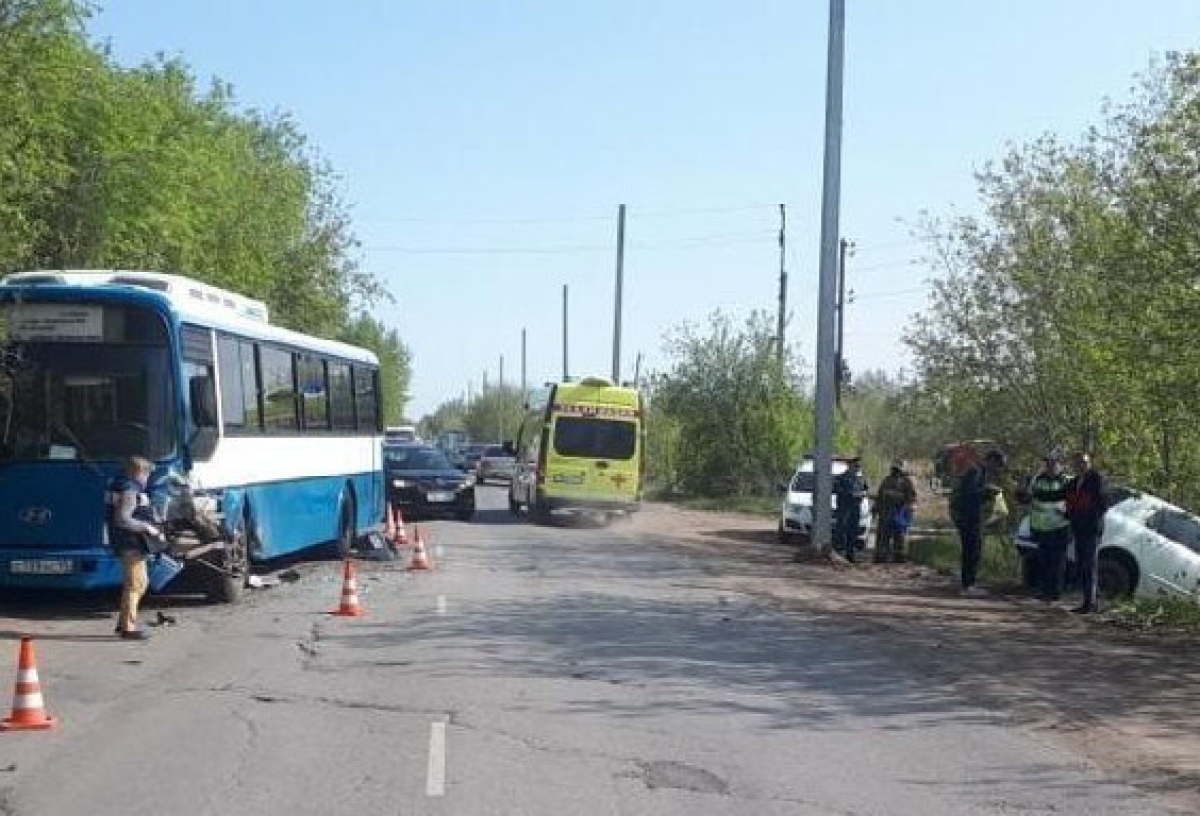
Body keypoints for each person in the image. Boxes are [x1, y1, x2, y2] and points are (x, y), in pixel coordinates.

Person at [105, 456, 161, 640]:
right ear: (139, 473)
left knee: (137, 583)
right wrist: (147, 527)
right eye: (147, 475)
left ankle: (123, 623)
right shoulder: (129, 490)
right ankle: (128, 628)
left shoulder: (117, 485)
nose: (148, 480)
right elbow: (123, 519)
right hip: (130, 542)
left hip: (123, 541)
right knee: (136, 583)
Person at [949, 449, 1003, 596]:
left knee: (973, 549)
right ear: (991, 460)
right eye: (997, 465)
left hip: (971, 516)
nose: (997, 469)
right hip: (968, 517)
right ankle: (968, 585)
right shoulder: (976, 471)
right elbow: (969, 494)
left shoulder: (980, 471)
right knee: (972, 550)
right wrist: (987, 492)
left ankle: (969, 582)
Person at [1027, 451, 1072, 603]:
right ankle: (1044, 591)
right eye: (1047, 463)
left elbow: (1071, 503)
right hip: (1042, 528)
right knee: (1043, 561)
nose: (1050, 466)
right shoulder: (1037, 480)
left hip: (1060, 527)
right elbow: (1031, 501)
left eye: (1053, 463)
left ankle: (1055, 593)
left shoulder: (1066, 481)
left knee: (1057, 562)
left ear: (1060, 465)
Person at [1066, 451, 1107, 614]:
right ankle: (1087, 601)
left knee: (1090, 565)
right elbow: (1066, 498)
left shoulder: (1096, 479)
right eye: (1077, 463)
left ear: (1089, 463)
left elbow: (1103, 504)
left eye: (1083, 462)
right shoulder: (1074, 482)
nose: (1080, 466)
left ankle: (1091, 603)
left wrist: (1088, 517)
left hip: (1091, 529)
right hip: (1078, 529)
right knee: (1082, 564)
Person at [873, 460, 917, 563]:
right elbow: (879, 496)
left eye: (897, 469)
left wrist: (906, 507)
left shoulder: (906, 482)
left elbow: (911, 497)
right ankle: (881, 557)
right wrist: (875, 508)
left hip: (899, 513)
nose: (895, 471)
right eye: (894, 469)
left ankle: (899, 557)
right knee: (883, 536)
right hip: (885, 513)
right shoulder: (886, 480)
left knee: (900, 536)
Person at [833, 458, 868, 563]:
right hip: (844, 508)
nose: (857, 469)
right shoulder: (841, 477)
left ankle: (850, 555)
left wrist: (862, 494)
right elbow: (836, 489)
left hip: (855, 509)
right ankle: (839, 553)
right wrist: (849, 494)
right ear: (849, 466)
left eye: (858, 467)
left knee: (852, 532)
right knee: (841, 531)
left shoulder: (860, 479)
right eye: (855, 466)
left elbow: (865, 489)